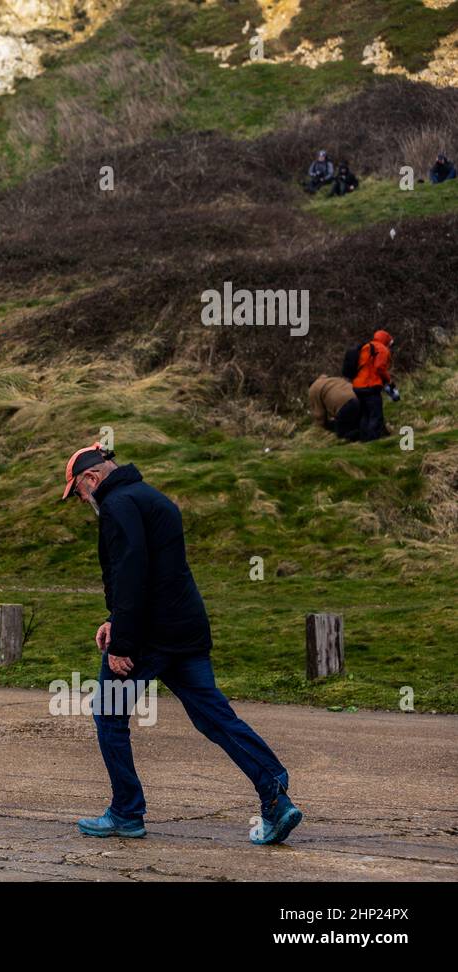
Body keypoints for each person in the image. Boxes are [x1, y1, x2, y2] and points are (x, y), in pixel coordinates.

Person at [60, 443, 301, 845]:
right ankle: (274, 793)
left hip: (148, 637)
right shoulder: (153, 497)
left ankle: (126, 812)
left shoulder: (117, 505)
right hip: (183, 629)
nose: (83, 501)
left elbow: (132, 573)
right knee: (213, 716)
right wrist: (115, 618)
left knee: (109, 714)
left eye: (80, 493)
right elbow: (157, 574)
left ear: (91, 478)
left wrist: (122, 640)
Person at [351, 329, 397, 442]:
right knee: (375, 415)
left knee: (365, 415)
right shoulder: (382, 349)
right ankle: (373, 441)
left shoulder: (366, 347)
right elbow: (380, 367)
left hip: (358, 386)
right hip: (370, 386)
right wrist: (388, 380)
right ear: (386, 340)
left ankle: (363, 440)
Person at [308, 374, 360, 440]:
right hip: (360, 398)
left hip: (346, 405)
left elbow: (319, 414)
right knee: (355, 422)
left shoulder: (313, 388)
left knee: (342, 434)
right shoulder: (333, 379)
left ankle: (361, 435)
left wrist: (322, 426)